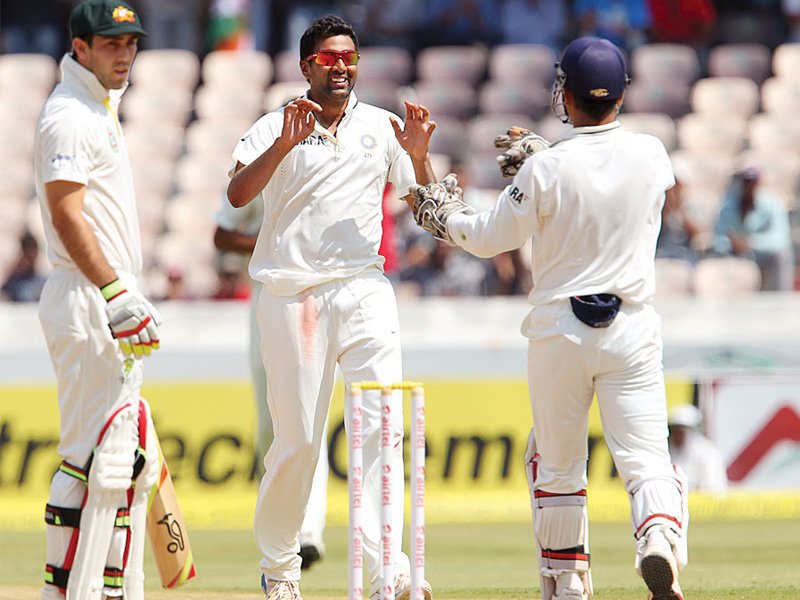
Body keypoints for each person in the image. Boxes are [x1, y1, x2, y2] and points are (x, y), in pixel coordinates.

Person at [409, 37, 688, 600]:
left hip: (560, 329)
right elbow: (633, 188)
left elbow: (487, 238)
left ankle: (567, 583)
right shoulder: (653, 154)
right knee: (646, 457)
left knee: (557, 464)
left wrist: (439, 211)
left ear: (566, 93)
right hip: (631, 325)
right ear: (622, 93)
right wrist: (550, 157)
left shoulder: (545, 170)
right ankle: (657, 536)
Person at [226, 15, 437, 600]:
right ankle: (280, 568)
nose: (341, 66)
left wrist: (419, 158)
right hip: (294, 295)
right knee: (297, 442)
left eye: (349, 57)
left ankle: (387, 572)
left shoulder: (382, 125)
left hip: (365, 288)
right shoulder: (276, 124)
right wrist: (285, 144)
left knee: (382, 431)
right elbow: (238, 194)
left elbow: (428, 207)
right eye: (328, 58)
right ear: (305, 67)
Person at [33, 1, 162, 599]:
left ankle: (110, 591)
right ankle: (68, 593)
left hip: (104, 293)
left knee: (118, 455)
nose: (125, 54)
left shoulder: (96, 108)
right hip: (88, 296)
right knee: (92, 453)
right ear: (80, 47)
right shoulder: (69, 116)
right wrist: (113, 290)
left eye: (131, 44)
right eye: (112, 44)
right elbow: (65, 215)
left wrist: (121, 289)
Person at [213, 194, 329, 570]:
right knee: (271, 424)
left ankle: (308, 533)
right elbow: (223, 234)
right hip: (268, 293)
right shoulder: (262, 149)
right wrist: (276, 244)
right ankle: (282, 525)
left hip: (317, 295)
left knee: (312, 417)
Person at [713, 165, 794, 291]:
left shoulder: (773, 204)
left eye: (753, 181)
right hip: (737, 258)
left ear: (759, 183)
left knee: (781, 255)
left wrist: (750, 243)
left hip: (764, 258)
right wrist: (732, 245)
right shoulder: (727, 207)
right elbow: (718, 238)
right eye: (746, 181)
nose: (749, 186)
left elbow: (780, 240)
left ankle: (781, 299)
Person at [668, 404, 728, 494]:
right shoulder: (670, 453)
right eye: (674, 430)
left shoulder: (708, 454)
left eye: (680, 431)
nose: (676, 435)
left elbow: (711, 490)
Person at [1, 230, 48, 302]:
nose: (30, 259)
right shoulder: (15, 283)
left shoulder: (43, 282)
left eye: (32, 255)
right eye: (27, 255)